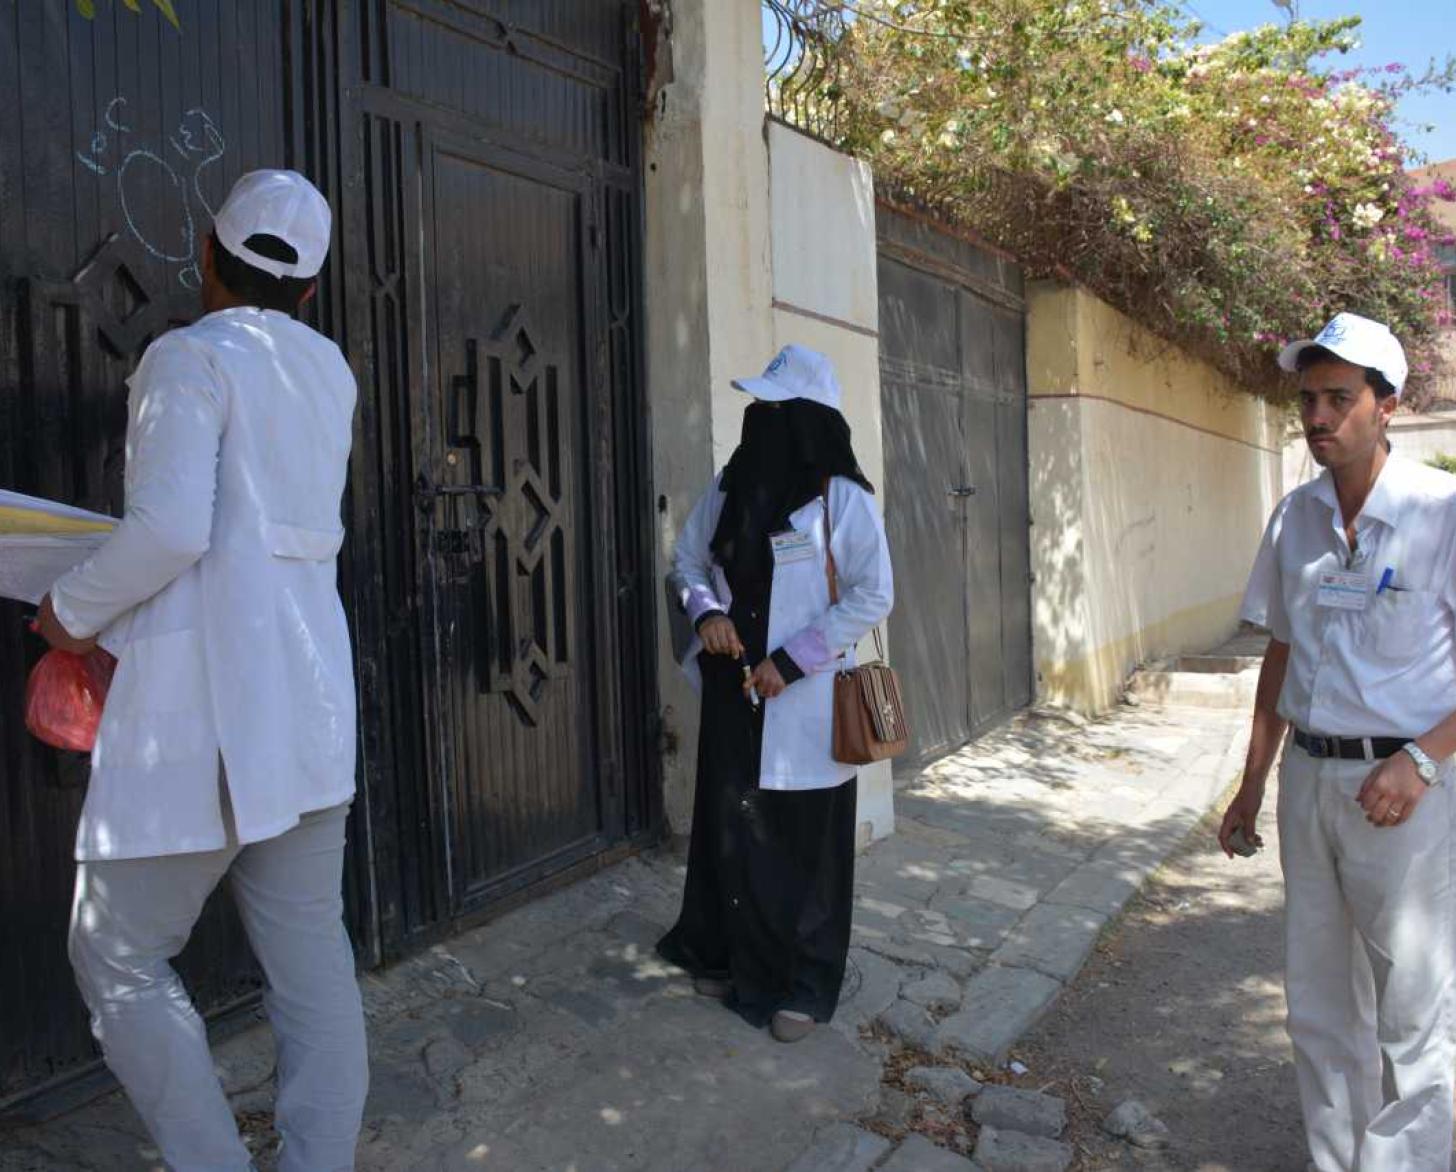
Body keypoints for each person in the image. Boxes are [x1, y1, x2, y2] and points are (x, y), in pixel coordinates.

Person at [35, 170, 367, 1171]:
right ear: (309, 288)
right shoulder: (330, 373)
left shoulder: (188, 357)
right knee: (313, 967)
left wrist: (68, 610)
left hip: (212, 718)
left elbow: (173, 528)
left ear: (206, 255)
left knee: (117, 953)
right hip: (309, 711)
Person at [1219, 312, 1456, 1171]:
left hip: (1410, 795)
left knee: (1417, 1011)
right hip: (1311, 784)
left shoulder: (1442, 513)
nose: (1319, 417)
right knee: (1320, 1006)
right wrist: (1253, 785)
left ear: (1388, 405)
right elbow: (1280, 652)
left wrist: (1423, 759)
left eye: (1340, 399)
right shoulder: (1296, 519)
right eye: (1310, 399)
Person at [658, 344, 894, 1044]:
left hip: (806, 701)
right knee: (733, 831)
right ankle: (728, 956)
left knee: (804, 847)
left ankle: (804, 984)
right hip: (734, 690)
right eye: (755, 406)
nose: (758, 419)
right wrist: (708, 614)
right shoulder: (731, 487)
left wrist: (790, 662)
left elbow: (873, 593)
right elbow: (688, 559)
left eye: (773, 409)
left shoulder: (842, 500)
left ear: (808, 422)